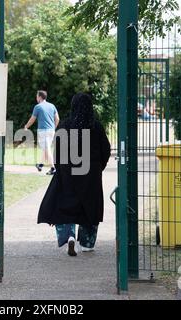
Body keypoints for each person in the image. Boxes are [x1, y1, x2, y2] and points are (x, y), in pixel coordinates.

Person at [37, 93, 111, 256]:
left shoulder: (64, 125)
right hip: (90, 175)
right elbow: (106, 149)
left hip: (68, 173)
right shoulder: (96, 126)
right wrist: (99, 168)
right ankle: (87, 243)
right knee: (89, 207)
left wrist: (62, 168)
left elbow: (57, 152)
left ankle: (69, 236)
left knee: (66, 204)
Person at [24, 90, 60, 175]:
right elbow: (57, 119)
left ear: (40, 97)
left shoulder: (38, 107)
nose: (36, 98)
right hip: (51, 130)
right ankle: (40, 164)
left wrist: (26, 126)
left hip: (43, 130)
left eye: (37, 96)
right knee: (45, 148)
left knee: (47, 148)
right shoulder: (52, 106)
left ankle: (53, 168)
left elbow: (32, 119)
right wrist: (53, 128)